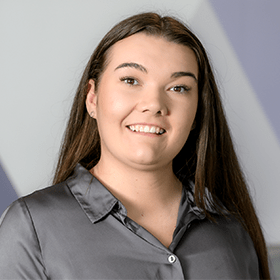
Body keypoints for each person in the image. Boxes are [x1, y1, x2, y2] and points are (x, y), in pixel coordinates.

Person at [0, 12, 270, 279]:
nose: (154, 104)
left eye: (179, 88)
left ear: (197, 113)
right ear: (92, 99)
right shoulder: (32, 228)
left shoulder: (232, 231)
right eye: (130, 81)